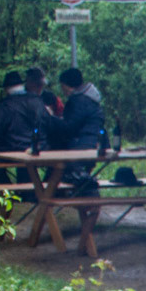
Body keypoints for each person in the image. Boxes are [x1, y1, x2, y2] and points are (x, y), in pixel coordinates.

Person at [46, 66, 105, 196]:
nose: (62, 89)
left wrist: (51, 117)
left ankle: (50, 194)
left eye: (63, 86)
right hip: (94, 143)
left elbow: (69, 128)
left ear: (68, 85)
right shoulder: (91, 99)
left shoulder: (77, 101)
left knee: (55, 164)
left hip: (81, 146)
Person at [0, 70, 46, 157]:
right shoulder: (37, 101)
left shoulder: (5, 106)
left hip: (13, 148)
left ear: (6, 89)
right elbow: (47, 123)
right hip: (38, 147)